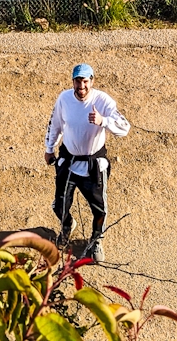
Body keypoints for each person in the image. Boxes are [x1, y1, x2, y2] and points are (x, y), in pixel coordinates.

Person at [44, 63, 129, 262]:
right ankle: (67, 225)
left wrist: (103, 121)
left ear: (92, 81)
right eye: (77, 81)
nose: (81, 86)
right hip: (68, 161)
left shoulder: (102, 100)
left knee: (99, 209)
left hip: (93, 166)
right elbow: (55, 123)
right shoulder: (64, 98)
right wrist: (49, 149)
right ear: (72, 81)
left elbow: (125, 127)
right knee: (60, 204)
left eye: (85, 81)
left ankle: (96, 240)